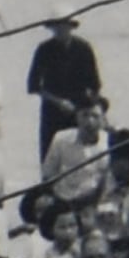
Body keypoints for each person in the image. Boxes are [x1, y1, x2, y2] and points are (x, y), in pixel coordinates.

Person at [27, 9, 103, 163]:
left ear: (71, 26)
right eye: (57, 26)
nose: (60, 30)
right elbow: (33, 85)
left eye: (64, 26)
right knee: (49, 156)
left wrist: (91, 112)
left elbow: (94, 84)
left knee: (79, 155)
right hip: (52, 112)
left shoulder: (83, 48)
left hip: (78, 111)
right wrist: (58, 102)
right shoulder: (44, 50)